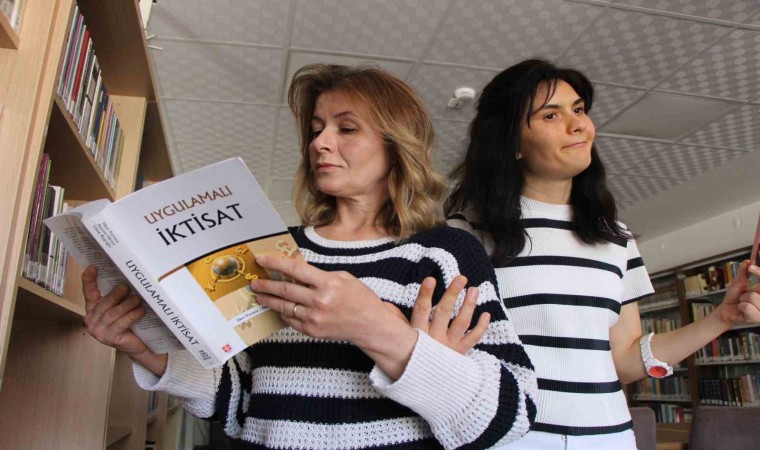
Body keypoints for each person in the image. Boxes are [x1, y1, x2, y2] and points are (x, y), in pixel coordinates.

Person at [82, 64, 538, 449]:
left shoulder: (446, 251)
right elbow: (241, 400)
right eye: (317, 129)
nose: (319, 143)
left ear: (397, 144)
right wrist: (146, 352)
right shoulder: (275, 251)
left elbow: (512, 413)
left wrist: (376, 328)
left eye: (346, 128)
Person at [444, 59, 760, 450]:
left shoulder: (616, 238)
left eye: (578, 109)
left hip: (609, 438)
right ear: (511, 143)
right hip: (508, 440)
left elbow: (624, 361)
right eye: (551, 115)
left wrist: (722, 319)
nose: (578, 124)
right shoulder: (465, 234)